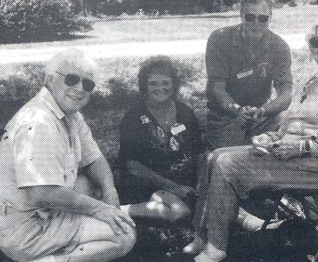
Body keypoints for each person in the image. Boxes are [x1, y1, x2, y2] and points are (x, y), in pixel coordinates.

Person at [190, 16, 318, 262]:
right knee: (216, 156)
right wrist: (270, 137)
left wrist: (301, 146)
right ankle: (204, 234)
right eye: (317, 41)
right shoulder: (313, 81)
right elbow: (288, 127)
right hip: (293, 159)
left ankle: (216, 247)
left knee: (227, 164)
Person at [0, 49, 136, 262]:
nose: (80, 89)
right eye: (72, 79)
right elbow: (42, 193)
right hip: (26, 229)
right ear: (50, 80)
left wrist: (110, 193)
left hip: (44, 213)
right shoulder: (38, 123)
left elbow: (95, 159)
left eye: (88, 84)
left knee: (86, 183)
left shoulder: (69, 114)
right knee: (123, 235)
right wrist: (100, 209)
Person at [118, 56, 205, 223]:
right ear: (145, 86)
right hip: (148, 184)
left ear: (174, 84)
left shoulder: (184, 112)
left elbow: (199, 152)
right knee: (180, 212)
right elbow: (133, 167)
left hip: (185, 181)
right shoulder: (133, 118)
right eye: (153, 84)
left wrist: (201, 181)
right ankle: (120, 210)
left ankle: (253, 223)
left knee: (214, 197)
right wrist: (174, 188)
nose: (160, 88)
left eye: (165, 83)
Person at [205, 0, 293, 150]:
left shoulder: (279, 47)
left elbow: (286, 94)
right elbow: (217, 88)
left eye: (263, 18)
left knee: (288, 125)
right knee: (227, 159)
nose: (256, 24)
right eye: (250, 17)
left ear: (270, 18)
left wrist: (262, 110)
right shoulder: (219, 39)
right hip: (225, 118)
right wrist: (237, 110)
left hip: (260, 116)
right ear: (241, 15)